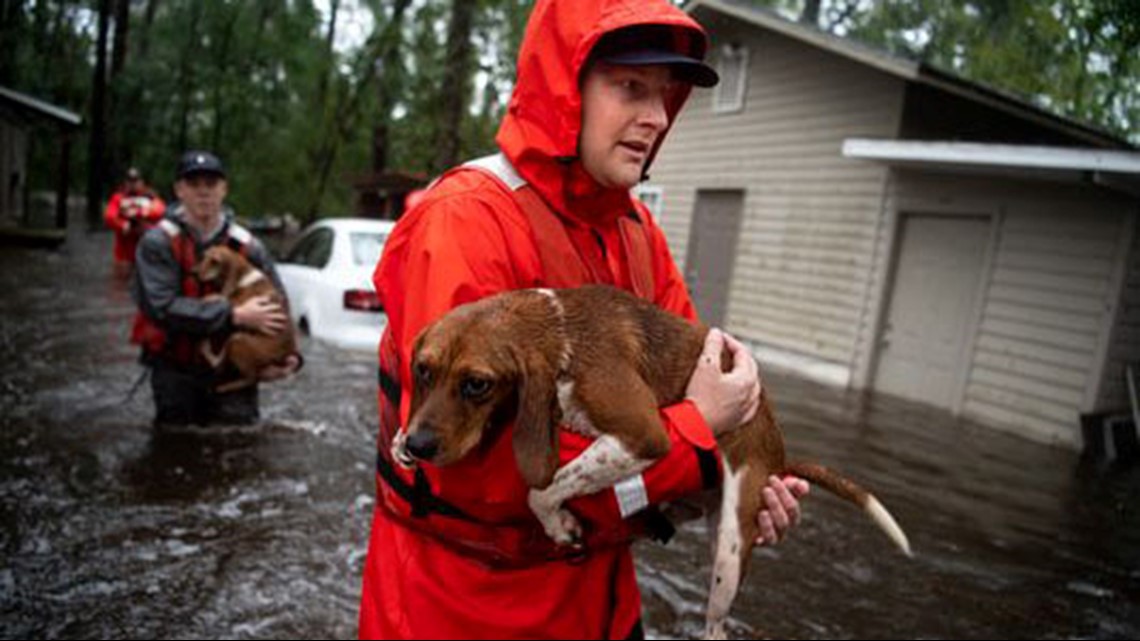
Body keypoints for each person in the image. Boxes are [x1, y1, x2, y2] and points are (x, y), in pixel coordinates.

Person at [359, 1, 810, 638]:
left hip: (599, 604)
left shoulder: (637, 230)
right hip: (461, 608)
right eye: (630, 87)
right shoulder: (466, 219)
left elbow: (696, 392)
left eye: (665, 95)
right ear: (565, 88)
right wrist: (695, 446)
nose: (656, 117)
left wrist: (742, 485)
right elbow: (467, 471)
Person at [130, 150, 301, 429]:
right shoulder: (157, 243)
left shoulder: (249, 246)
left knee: (238, 448)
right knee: (173, 445)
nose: (203, 193)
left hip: (232, 372)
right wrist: (233, 315)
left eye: (211, 184)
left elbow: (277, 302)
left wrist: (291, 357)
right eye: (194, 185)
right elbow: (160, 308)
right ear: (179, 190)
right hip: (176, 369)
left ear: (223, 189)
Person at [104, 167, 166, 277]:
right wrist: (124, 225)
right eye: (129, 181)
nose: (132, 184)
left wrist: (140, 214)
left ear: (142, 182)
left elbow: (160, 210)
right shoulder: (118, 198)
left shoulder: (151, 197)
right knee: (121, 284)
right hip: (124, 254)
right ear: (125, 182)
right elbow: (109, 216)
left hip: (147, 253)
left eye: (136, 180)